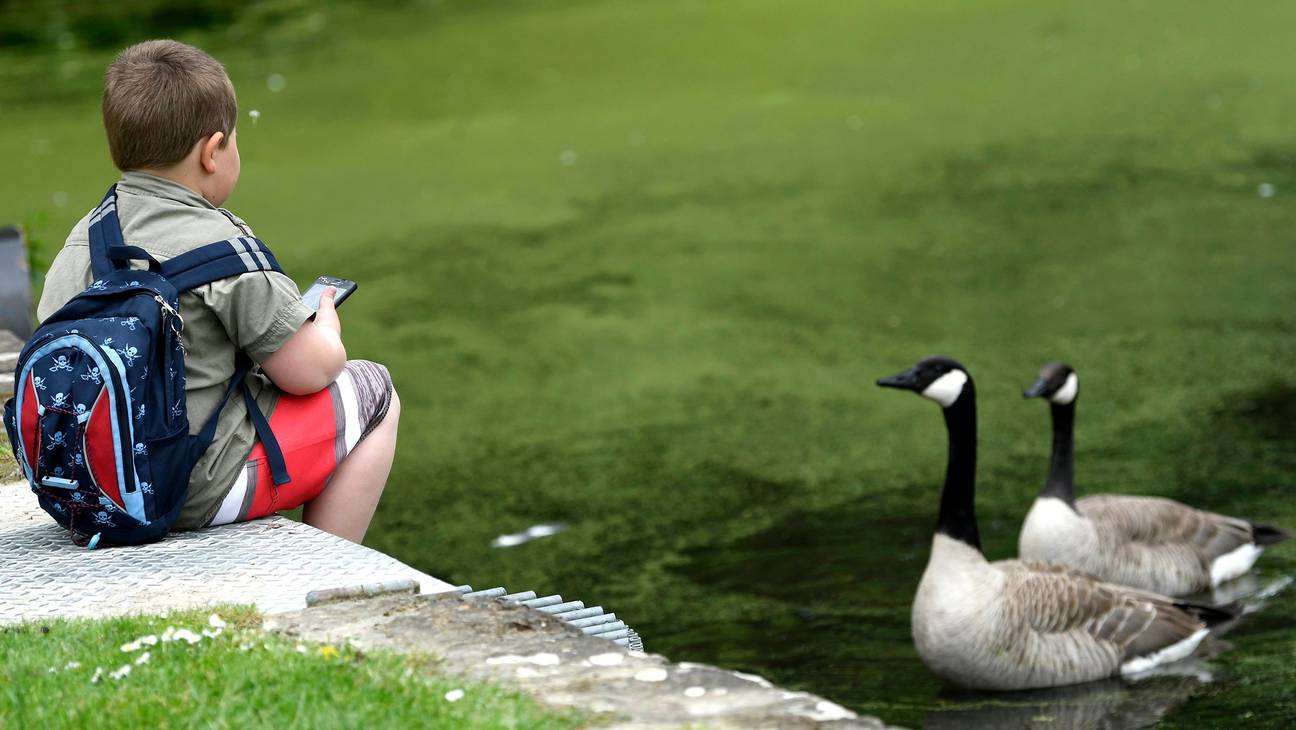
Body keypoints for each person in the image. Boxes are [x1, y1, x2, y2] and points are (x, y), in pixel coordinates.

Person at [36, 39, 398, 543]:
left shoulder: (82, 240)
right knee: (376, 390)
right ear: (212, 152)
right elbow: (308, 374)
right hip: (192, 490)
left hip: (91, 490)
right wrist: (327, 331)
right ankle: (333, 566)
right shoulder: (223, 246)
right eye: (233, 142)